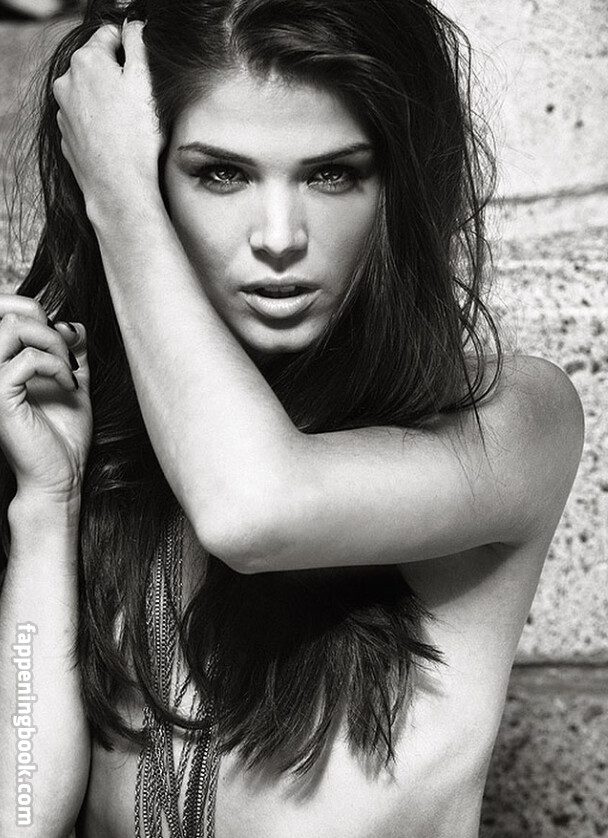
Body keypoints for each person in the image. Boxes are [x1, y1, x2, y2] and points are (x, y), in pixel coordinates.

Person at [0, 1, 584, 836]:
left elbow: (253, 510)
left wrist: (120, 200)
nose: (280, 237)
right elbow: (21, 816)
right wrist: (46, 507)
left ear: (396, 186)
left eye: (332, 174)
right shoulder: (99, 443)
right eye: (221, 174)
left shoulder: (510, 417)